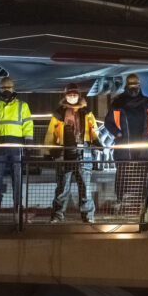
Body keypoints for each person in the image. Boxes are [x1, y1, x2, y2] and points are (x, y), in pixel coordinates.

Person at [104, 73, 148, 215]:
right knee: (123, 176)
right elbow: (108, 122)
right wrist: (118, 134)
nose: (134, 88)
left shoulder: (147, 103)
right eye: (131, 86)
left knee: (144, 177)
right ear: (126, 86)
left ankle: (145, 204)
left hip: (144, 148)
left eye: (136, 85)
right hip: (124, 149)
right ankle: (121, 202)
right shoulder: (117, 104)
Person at [45, 83, 101, 223]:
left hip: (84, 154)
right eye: (69, 94)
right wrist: (48, 150)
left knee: (85, 188)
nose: (72, 96)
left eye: (74, 94)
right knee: (63, 188)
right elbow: (51, 133)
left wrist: (97, 142)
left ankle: (88, 216)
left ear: (79, 95)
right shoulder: (59, 114)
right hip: (65, 154)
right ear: (65, 96)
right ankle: (57, 215)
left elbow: (94, 130)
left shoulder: (87, 113)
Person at [0, 76, 33, 210]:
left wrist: (28, 141)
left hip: (15, 145)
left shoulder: (22, 106)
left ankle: (17, 203)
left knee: (17, 176)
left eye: (8, 87)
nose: (6, 90)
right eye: (3, 87)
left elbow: (28, 124)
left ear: (13, 88)